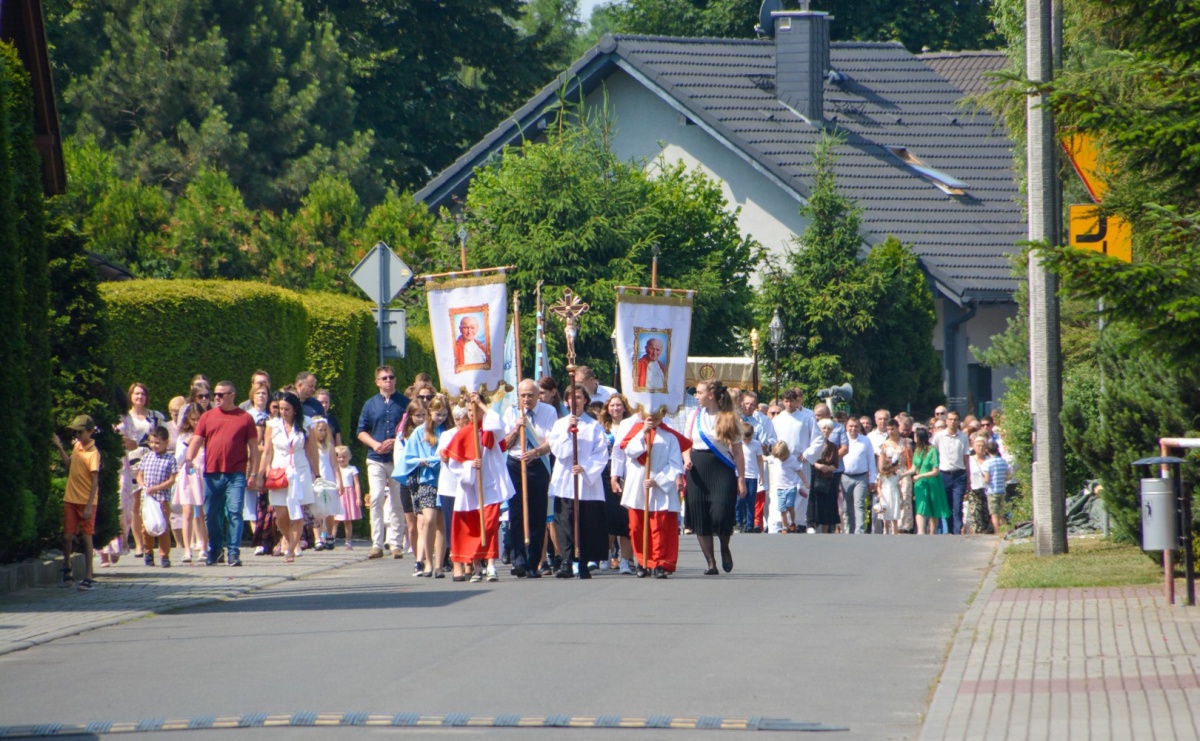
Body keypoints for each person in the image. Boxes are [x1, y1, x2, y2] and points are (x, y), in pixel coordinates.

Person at [184, 381, 260, 567]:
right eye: (214, 395)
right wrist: (188, 459)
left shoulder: (245, 418)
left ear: (232, 395)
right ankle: (216, 550)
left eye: (220, 394)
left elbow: (253, 448)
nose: (215, 398)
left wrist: (255, 473)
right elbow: (196, 439)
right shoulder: (207, 417)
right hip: (212, 473)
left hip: (236, 473)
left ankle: (233, 552)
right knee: (211, 514)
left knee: (234, 512)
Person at [444, 390, 513, 582]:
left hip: (491, 485)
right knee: (475, 528)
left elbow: (498, 423)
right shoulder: (464, 433)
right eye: (469, 410)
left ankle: (491, 565)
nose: (472, 413)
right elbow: (453, 464)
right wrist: (469, 466)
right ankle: (476, 568)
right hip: (472, 488)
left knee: (490, 526)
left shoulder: (491, 429)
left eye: (475, 409)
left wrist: (481, 404)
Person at [683, 380, 746, 574]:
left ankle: (724, 546)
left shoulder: (729, 417)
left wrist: (741, 479)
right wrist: (686, 458)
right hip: (697, 469)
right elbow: (686, 443)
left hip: (721, 469)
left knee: (720, 514)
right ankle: (711, 563)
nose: (696, 395)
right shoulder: (694, 416)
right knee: (700, 515)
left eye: (700, 392)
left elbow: (737, 452)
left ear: (710, 395)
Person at [548, 386, 610, 579]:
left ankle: (583, 560)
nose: (574, 401)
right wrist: (568, 432)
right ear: (566, 401)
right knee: (565, 521)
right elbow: (558, 450)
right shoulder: (559, 425)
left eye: (578, 397)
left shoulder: (594, 426)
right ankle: (566, 560)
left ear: (585, 400)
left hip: (586, 483)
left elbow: (601, 453)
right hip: (566, 480)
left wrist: (585, 467)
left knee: (586, 522)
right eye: (571, 398)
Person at [621, 412, 689, 578]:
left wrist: (657, 480)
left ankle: (659, 563)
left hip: (659, 488)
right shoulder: (636, 430)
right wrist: (644, 431)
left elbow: (675, 464)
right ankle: (642, 561)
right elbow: (630, 451)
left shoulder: (670, 437)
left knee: (659, 526)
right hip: (638, 486)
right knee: (637, 526)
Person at [502, 379, 556, 578]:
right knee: (516, 514)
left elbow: (551, 442)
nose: (526, 399)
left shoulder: (548, 412)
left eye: (530, 395)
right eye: (523, 395)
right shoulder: (511, 412)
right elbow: (505, 444)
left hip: (537, 463)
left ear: (537, 395)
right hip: (515, 463)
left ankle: (534, 562)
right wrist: (517, 428)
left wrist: (535, 452)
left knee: (536, 514)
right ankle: (519, 561)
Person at [260, 391, 320, 562]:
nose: (283, 413)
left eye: (287, 409)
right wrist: (260, 473)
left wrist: (317, 474)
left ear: (295, 409)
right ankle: (290, 538)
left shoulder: (306, 423)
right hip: (278, 472)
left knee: (297, 512)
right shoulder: (272, 424)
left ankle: (291, 550)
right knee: (280, 515)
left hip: (300, 471)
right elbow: (267, 452)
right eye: (280, 409)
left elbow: (312, 451)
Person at [356, 366, 409, 559]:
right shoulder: (370, 404)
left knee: (397, 501)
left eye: (391, 377)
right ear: (377, 382)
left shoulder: (404, 403)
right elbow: (361, 431)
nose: (388, 380)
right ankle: (376, 544)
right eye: (384, 378)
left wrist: (397, 441)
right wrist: (375, 444)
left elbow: (413, 430)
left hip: (397, 459)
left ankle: (396, 543)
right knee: (377, 497)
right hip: (376, 458)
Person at [117, 383, 167, 559]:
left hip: (152, 462)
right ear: (130, 396)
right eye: (136, 394)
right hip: (131, 462)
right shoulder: (124, 417)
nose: (140, 397)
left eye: (143, 394)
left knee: (156, 501)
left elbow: (165, 437)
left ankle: (157, 542)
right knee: (135, 505)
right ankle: (139, 544)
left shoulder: (155, 417)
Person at [401, 397, 448, 577]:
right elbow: (407, 458)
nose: (441, 418)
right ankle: (427, 562)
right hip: (426, 480)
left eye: (444, 414)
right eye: (438, 414)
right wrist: (423, 461)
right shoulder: (420, 432)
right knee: (429, 519)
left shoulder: (448, 431)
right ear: (430, 412)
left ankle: (439, 565)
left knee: (441, 522)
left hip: (445, 479)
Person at [54, 416, 102, 590]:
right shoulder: (76, 447)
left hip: (86, 501)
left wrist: (89, 505)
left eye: (81, 432)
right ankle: (67, 567)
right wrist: (59, 446)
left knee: (87, 537)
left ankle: (88, 576)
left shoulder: (93, 453)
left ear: (90, 431)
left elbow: (95, 480)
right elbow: (69, 465)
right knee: (67, 536)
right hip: (70, 499)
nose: (78, 435)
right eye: (76, 432)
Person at [770, 388, 822, 532]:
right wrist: (778, 453)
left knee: (800, 491)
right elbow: (772, 439)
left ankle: (798, 522)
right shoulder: (778, 419)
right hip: (783, 461)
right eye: (786, 401)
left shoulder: (807, 418)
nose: (788, 404)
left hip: (800, 460)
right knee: (782, 491)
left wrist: (807, 453)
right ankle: (782, 523)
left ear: (796, 401)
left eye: (791, 401)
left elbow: (818, 439)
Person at [598, 394, 634, 573]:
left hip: (628, 474)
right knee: (609, 518)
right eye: (612, 405)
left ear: (625, 408)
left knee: (625, 519)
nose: (615, 409)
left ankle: (625, 560)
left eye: (619, 405)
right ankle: (608, 553)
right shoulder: (602, 428)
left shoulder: (632, 426)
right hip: (605, 474)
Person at [172, 404, 209, 563]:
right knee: (186, 512)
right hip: (188, 474)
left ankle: (204, 547)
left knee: (200, 513)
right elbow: (178, 457)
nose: (196, 422)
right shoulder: (183, 436)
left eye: (198, 419)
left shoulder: (207, 434)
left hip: (202, 474)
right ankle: (187, 550)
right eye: (192, 419)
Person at [137, 427, 178, 567]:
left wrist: (157, 488)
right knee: (146, 527)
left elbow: (172, 479)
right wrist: (142, 484)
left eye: (157, 443)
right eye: (152, 442)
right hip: (147, 500)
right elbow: (139, 475)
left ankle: (164, 556)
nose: (154, 445)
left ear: (166, 442)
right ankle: (148, 553)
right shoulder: (147, 457)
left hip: (162, 499)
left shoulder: (170, 459)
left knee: (163, 528)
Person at [739, 391, 776, 532]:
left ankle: (753, 523)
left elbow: (765, 442)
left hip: (753, 463)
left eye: (752, 404)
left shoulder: (759, 423)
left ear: (756, 406)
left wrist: (763, 445)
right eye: (746, 403)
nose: (748, 407)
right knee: (738, 497)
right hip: (737, 463)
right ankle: (738, 521)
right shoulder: (736, 419)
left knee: (752, 496)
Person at [931, 411, 971, 534]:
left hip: (959, 474)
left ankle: (957, 530)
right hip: (944, 474)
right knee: (947, 505)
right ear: (946, 421)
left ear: (959, 422)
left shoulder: (963, 437)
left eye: (955, 419)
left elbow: (966, 458)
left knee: (958, 504)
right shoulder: (939, 436)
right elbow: (933, 454)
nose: (952, 422)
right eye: (950, 419)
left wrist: (968, 477)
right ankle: (949, 529)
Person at [908, 426, 952, 535]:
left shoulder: (932, 450)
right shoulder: (917, 450)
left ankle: (932, 533)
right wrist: (902, 475)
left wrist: (920, 476)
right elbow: (914, 468)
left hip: (932, 483)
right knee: (921, 506)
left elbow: (935, 471)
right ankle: (921, 532)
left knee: (933, 507)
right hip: (921, 484)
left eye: (915, 435)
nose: (914, 437)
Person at [311, 417, 344, 550]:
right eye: (320, 430)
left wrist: (339, 482)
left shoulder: (329, 446)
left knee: (329, 510)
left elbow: (335, 465)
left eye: (325, 430)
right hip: (316, 479)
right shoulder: (311, 447)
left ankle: (329, 535)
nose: (322, 433)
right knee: (316, 510)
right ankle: (317, 538)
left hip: (328, 478)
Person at [803, 419, 842, 533]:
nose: (826, 430)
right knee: (813, 502)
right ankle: (811, 525)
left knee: (826, 504)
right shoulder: (811, 444)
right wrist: (818, 466)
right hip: (814, 475)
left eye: (829, 429)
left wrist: (827, 468)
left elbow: (835, 464)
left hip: (827, 478)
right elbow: (808, 458)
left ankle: (824, 530)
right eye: (823, 428)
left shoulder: (833, 446)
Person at [841, 417, 878, 535]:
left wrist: (872, 479)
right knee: (847, 507)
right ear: (846, 427)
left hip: (861, 477)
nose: (853, 428)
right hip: (845, 476)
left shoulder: (865, 440)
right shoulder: (842, 439)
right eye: (850, 426)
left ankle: (860, 531)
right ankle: (849, 530)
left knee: (859, 504)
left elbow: (871, 460)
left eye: (856, 426)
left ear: (859, 428)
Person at [875, 419, 907, 535]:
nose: (890, 431)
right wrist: (883, 472)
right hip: (889, 473)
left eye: (893, 429)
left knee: (903, 499)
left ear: (897, 428)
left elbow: (910, 459)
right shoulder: (884, 444)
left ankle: (903, 528)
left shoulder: (905, 442)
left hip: (903, 473)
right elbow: (882, 463)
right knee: (889, 504)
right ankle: (887, 530)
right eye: (888, 429)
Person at [770, 440, 807, 533]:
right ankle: (784, 527)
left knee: (789, 506)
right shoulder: (776, 458)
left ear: (786, 453)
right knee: (782, 509)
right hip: (780, 488)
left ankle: (793, 522)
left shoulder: (792, 459)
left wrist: (805, 482)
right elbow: (765, 458)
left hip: (791, 487)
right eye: (778, 457)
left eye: (782, 457)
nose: (780, 459)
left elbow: (799, 471)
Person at [333, 445, 362, 549]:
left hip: (348, 494)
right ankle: (331, 539)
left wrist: (358, 497)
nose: (341, 459)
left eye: (344, 457)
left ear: (349, 457)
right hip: (338, 494)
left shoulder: (352, 469)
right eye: (339, 457)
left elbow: (357, 484)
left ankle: (348, 541)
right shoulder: (334, 470)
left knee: (347, 520)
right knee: (334, 519)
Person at [983, 440, 1009, 535]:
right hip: (1002, 489)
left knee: (994, 513)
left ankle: (997, 531)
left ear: (987, 450)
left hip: (992, 490)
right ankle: (1004, 531)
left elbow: (987, 479)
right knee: (1002, 512)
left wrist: (985, 482)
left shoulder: (987, 463)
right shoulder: (1003, 461)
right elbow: (1008, 475)